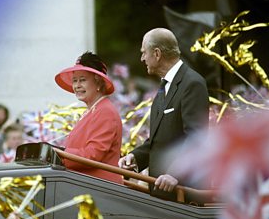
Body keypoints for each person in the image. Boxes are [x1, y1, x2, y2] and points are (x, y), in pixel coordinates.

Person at [119, 28, 209, 196]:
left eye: (144, 53)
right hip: (162, 193)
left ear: (157, 53)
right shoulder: (165, 86)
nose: (142, 58)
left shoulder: (192, 83)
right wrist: (136, 157)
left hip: (183, 194)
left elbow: (197, 137)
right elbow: (159, 138)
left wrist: (175, 174)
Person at [55, 52, 123, 184]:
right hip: (85, 185)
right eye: (75, 80)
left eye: (83, 80)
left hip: (99, 189)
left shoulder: (105, 111)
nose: (77, 85)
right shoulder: (93, 110)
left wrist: (59, 154)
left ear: (98, 82)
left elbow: (93, 155)